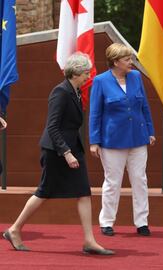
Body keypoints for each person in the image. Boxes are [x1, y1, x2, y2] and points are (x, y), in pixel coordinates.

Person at [2, 53, 114, 255]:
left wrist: (73, 152)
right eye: (86, 73)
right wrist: (67, 153)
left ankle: (89, 240)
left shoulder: (76, 91)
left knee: (83, 192)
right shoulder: (60, 92)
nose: (88, 76)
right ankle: (14, 229)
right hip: (57, 151)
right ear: (76, 73)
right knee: (44, 192)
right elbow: (52, 127)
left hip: (73, 149)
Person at [89, 43, 155, 237]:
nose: (131, 63)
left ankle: (142, 222)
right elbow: (95, 113)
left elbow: (144, 106)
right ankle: (107, 222)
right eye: (127, 59)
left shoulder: (136, 77)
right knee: (112, 182)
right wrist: (94, 141)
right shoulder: (100, 81)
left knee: (140, 180)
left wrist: (150, 130)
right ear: (116, 62)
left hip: (138, 137)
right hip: (112, 140)